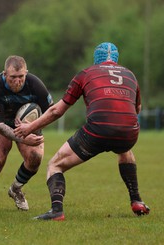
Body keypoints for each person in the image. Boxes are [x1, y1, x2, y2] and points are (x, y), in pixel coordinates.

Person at [14, 42, 150, 221]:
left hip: (98, 130)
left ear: (96, 59)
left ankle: (56, 211)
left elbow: (57, 111)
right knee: (125, 151)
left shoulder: (86, 74)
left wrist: (29, 127)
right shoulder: (130, 75)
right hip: (129, 132)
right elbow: (137, 109)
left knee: (55, 165)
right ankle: (137, 200)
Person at [0, 55, 53, 211]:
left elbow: (51, 112)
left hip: (29, 125)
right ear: (4, 74)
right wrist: (22, 137)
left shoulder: (35, 84)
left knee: (36, 158)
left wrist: (32, 126)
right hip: (2, 125)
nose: (18, 81)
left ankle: (15, 189)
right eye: (13, 77)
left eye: (21, 76)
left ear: (26, 73)